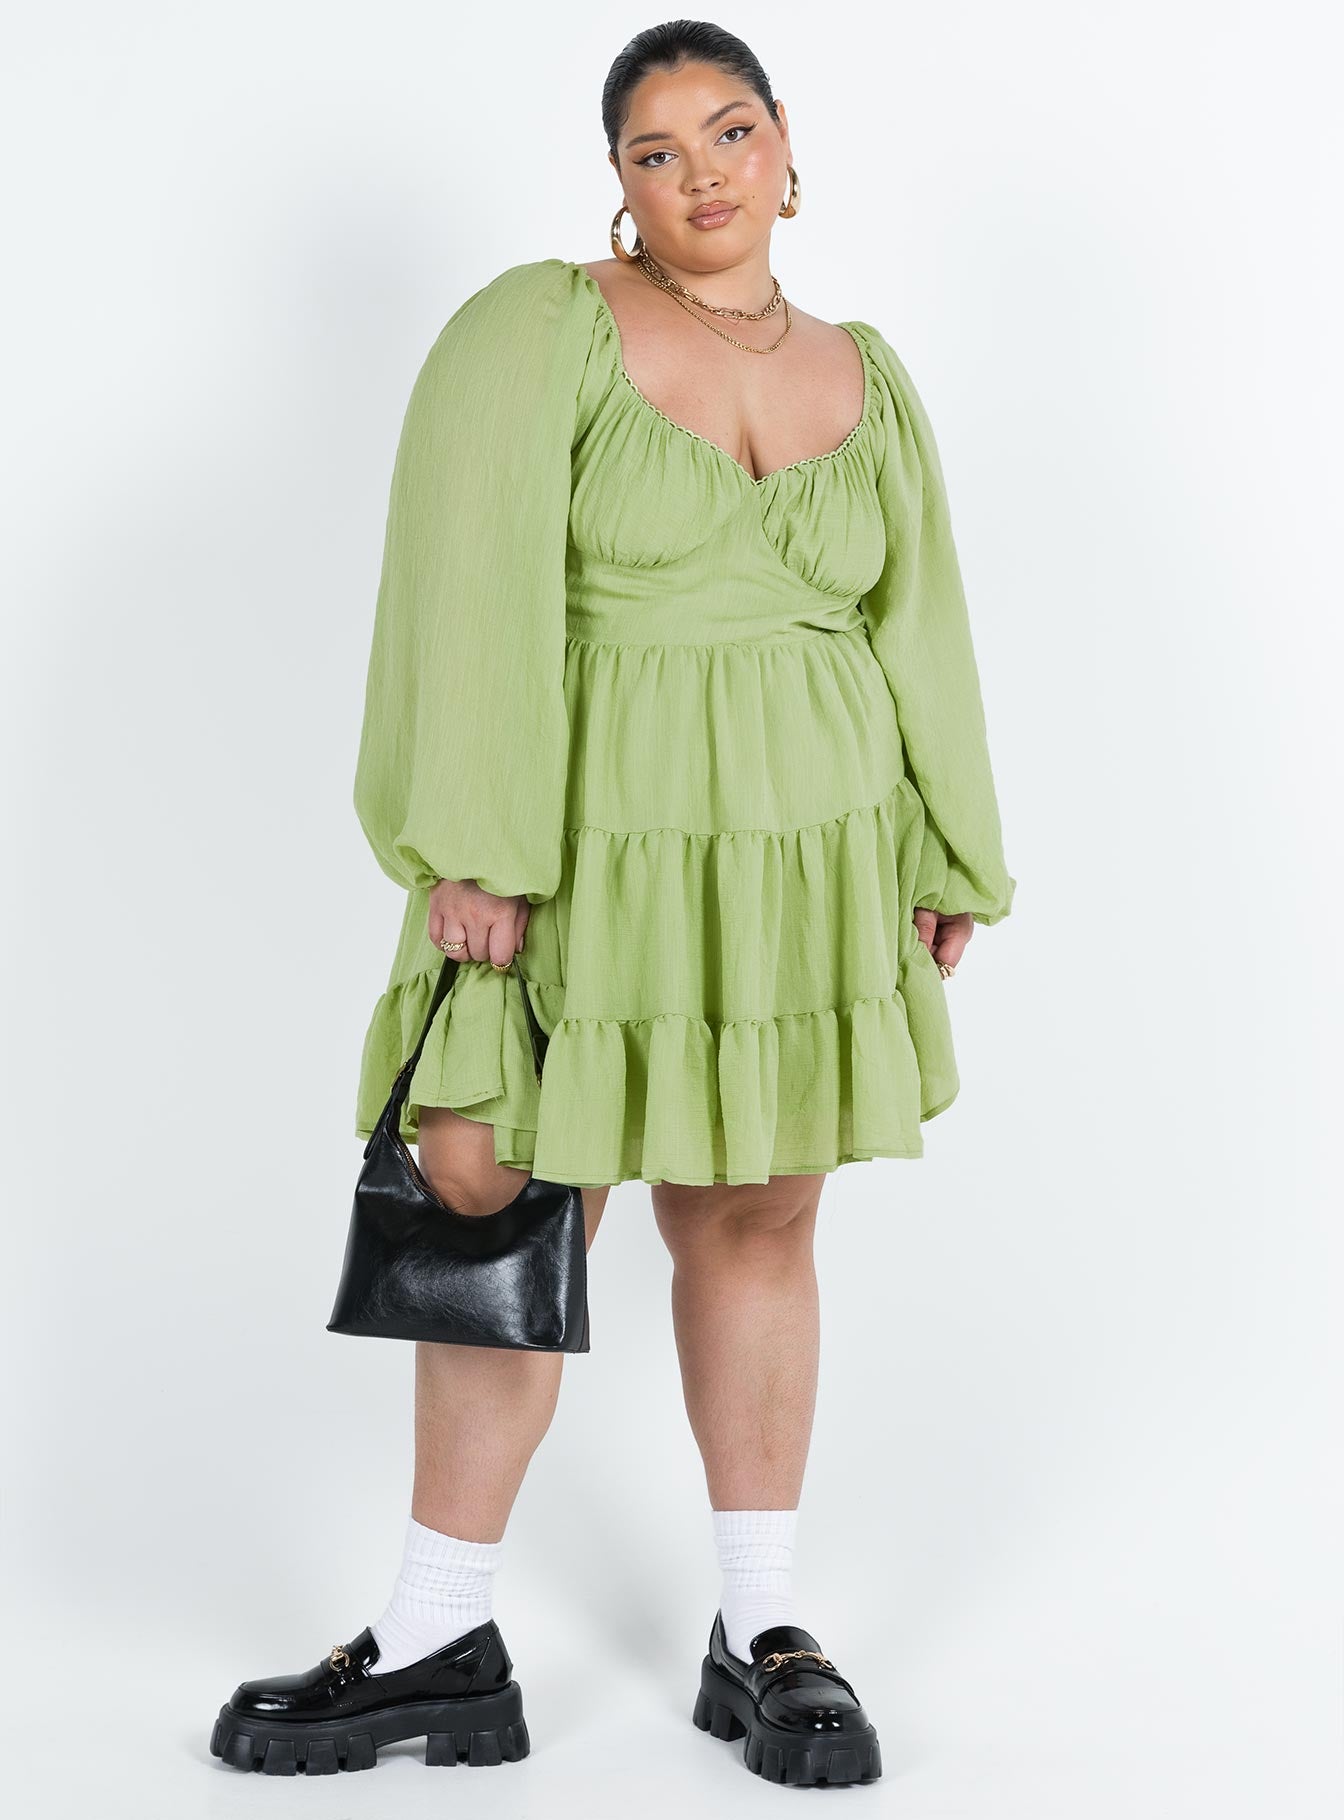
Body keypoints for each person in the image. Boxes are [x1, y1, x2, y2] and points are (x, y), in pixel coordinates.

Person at [209, 19, 1015, 1790]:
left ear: (787, 144)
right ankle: (435, 1635)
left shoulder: (870, 374)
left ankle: (765, 1630)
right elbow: (462, 586)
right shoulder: (539, 330)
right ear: (618, 183)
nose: (702, 173)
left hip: (809, 855)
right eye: (658, 151)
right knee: (494, 1189)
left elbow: (922, 624)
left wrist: (950, 849)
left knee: (758, 1214)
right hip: (585, 846)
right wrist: (474, 843)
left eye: (729, 133)